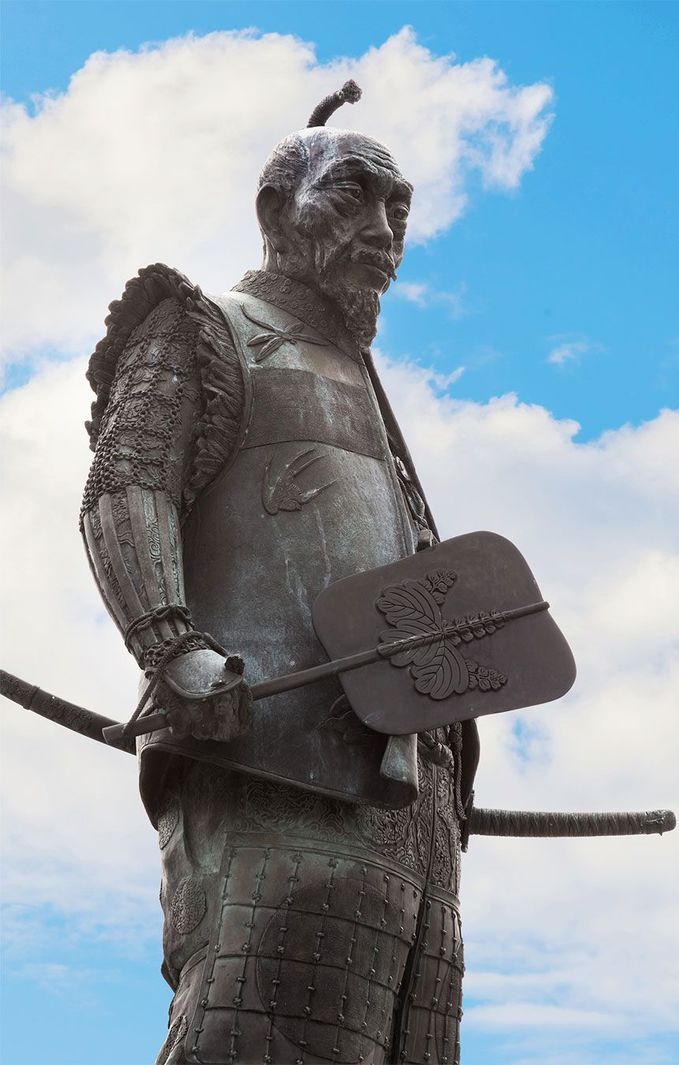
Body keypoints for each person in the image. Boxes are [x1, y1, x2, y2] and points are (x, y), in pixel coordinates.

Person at [82, 83, 477, 1065]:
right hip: (266, 763)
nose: (382, 231)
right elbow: (126, 484)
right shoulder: (206, 327)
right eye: (352, 195)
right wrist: (174, 649)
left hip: (415, 817)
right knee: (250, 1033)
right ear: (275, 210)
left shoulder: (371, 396)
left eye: (399, 208)